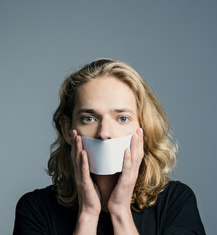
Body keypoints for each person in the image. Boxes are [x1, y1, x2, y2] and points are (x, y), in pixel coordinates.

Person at [13, 58, 205, 235]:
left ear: (143, 129)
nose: (104, 133)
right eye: (89, 118)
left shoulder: (175, 202)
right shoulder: (35, 209)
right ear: (67, 130)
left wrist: (120, 212)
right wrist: (88, 214)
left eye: (122, 118)